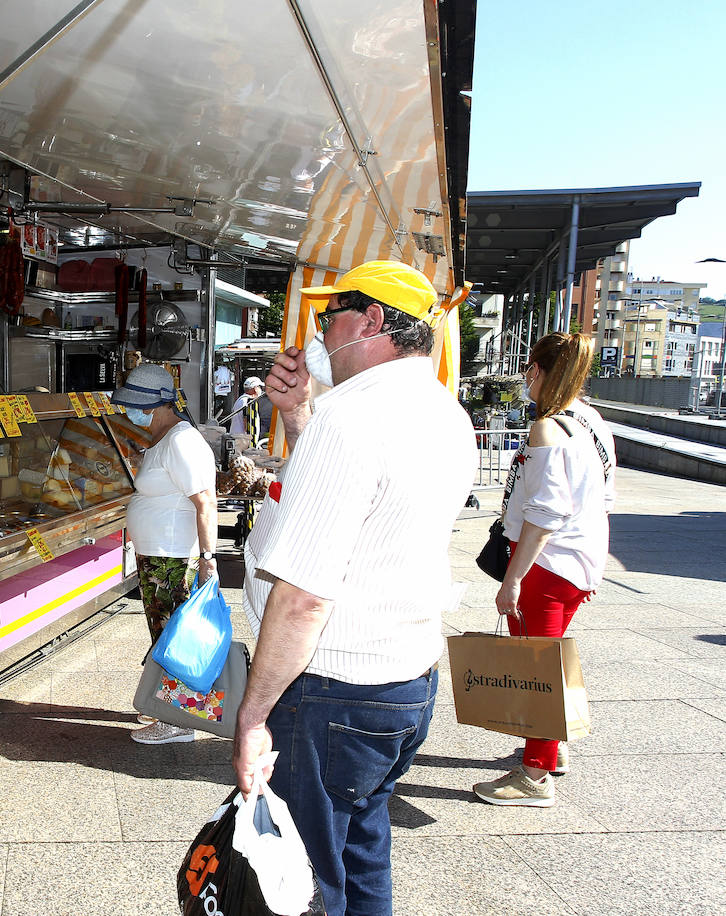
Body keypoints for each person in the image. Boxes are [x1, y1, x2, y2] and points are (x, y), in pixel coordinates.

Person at [232, 260, 478, 916]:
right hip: (403, 684)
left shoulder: (351, 419)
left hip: (328, 692)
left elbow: (304, 598)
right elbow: (359, 507)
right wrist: (297, 419)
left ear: (370, 321)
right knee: (362, 849)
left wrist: (253, 716)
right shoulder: (446, 414)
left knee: (306, 879)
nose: (319, 332)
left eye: (329, 317)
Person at [473, 332, 616, 807]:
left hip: (546, 566)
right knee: (550, 661)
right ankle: (551, 750)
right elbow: (605, 496)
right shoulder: (593, 423)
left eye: (527, 372)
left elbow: (544, 513)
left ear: (536, 371)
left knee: (536, 671)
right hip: (580, 561)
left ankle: (533, 775)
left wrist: (512, 579)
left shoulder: (548, 429)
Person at [112, 363, 218, 745]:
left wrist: (209, 558)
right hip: (158, 556)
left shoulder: (180, 441)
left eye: (133, 405)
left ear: (153, 406)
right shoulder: (163, 438)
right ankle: (168, 706)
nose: (129, 412)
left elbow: (206, 502)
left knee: (173, 639)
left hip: (172, 559)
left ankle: (179, 721)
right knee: (164, 635)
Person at [228, 376, 265, 441]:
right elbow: (247, 422)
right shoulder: (248, 401)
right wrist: (250, 441)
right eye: (259, 387)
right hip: (242, 440)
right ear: (255, 388)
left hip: (238, 438)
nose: (260, 390)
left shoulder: (241, 399)